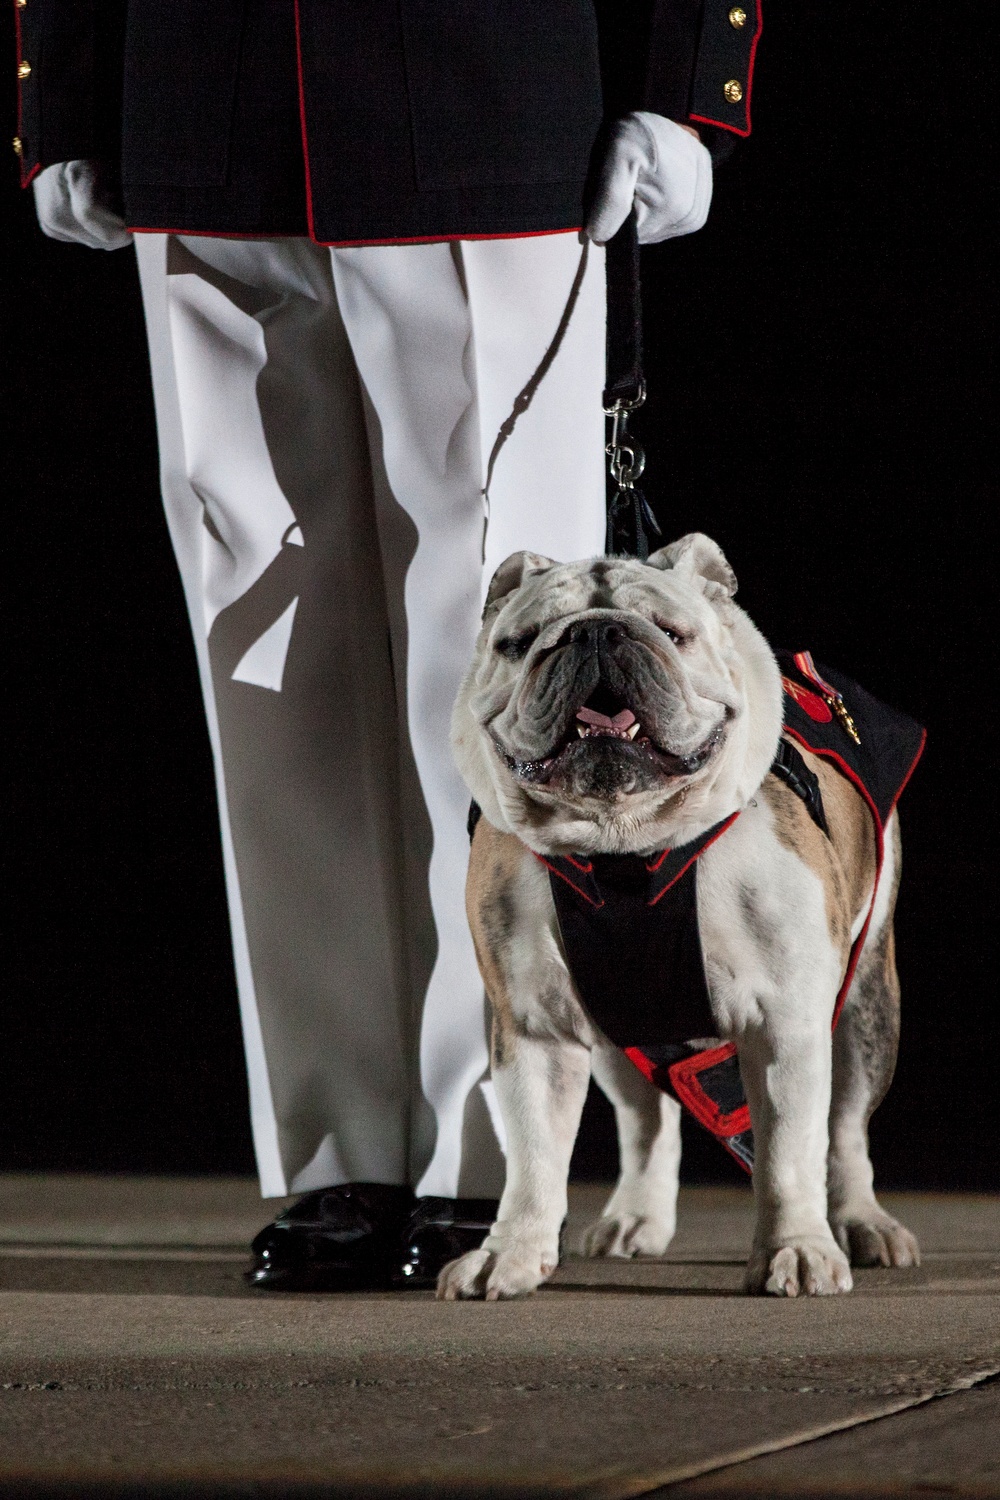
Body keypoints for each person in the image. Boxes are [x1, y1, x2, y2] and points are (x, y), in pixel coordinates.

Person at [16, 0, 761, 1288]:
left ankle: (485, 1154)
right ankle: (340, 1147)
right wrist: (62, 88)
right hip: (205, 119)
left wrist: (693, 83)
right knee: (271, 674)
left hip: (492, 115)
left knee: (491, 685)